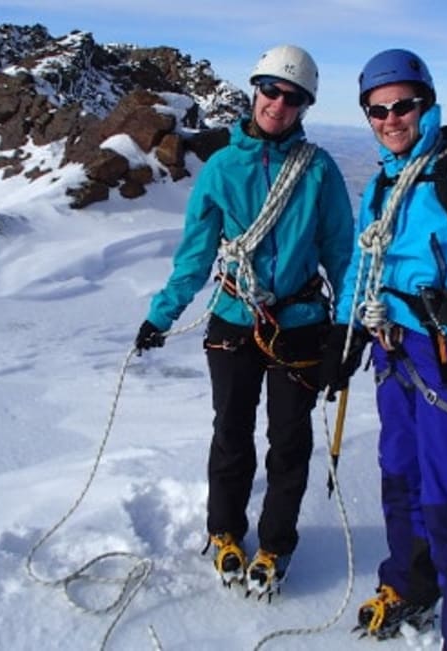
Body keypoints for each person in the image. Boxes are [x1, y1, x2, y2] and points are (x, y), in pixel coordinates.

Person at [134, 44, 354, 598]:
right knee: (231, 435)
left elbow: (342, 255)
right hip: (234, 320)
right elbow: (195, 256)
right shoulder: (221, 169)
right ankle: (225, 532)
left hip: (302, 323)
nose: (279, 104)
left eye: (293, 97)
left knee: (289, 442)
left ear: (304, 106)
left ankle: (276, 544)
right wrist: (161, 315)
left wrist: (347, 327)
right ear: (255, 91)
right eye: (272, 91)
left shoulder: (319, 170)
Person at [319, 49, 447, 649]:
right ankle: (409, 582)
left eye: (402, 106)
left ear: (425, 103)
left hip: (445, 351)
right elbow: (364, 260)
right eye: (377, 110)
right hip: (391, 348)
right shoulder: (382, 180)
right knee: (399, 474)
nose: (391, 118)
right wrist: (345, 333)